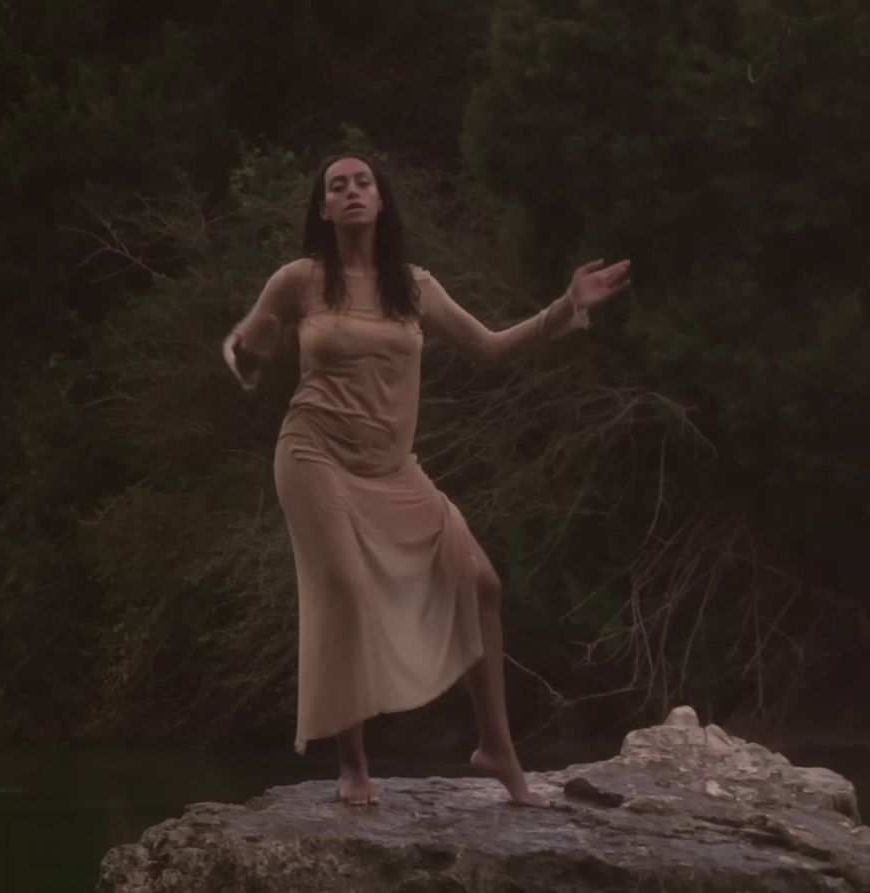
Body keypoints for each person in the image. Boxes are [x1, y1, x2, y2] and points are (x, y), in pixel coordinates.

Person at [222, 153, 630, 808]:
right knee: (347, 590)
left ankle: (496, 745)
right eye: (338, 186)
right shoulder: (299, 279)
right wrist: (248, 352)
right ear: (323, 209)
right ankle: (353, 763)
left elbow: (492, 347)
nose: (352, 192)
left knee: (481, 581)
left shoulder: (414, 286)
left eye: (363, 183)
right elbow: (241, 345)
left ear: (381, 201)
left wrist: (567, 306)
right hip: (314, 454)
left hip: (391, 466)